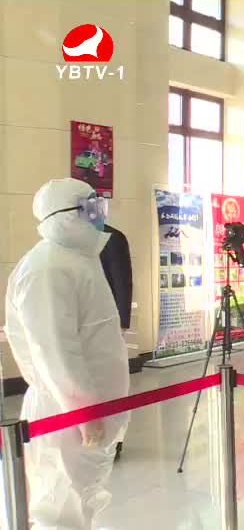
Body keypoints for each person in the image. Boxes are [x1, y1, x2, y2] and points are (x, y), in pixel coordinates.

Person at [4, 178, 130, 530]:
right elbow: (54, 350)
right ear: (65, 215)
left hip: (85, 408)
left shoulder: (76, 259)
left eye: (99, 208)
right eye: (90, 210)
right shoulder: (47, 267)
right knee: (59, 506)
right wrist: (82, 410)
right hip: (63, 410)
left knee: (80, 499)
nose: (99, 217)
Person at [99, 223, 133, 460]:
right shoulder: (70, 238)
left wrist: (122, 323)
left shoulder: (112, 238)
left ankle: (116, 438)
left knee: (113, 383)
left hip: (108, 324)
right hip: (83, 327)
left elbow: (122, 282)